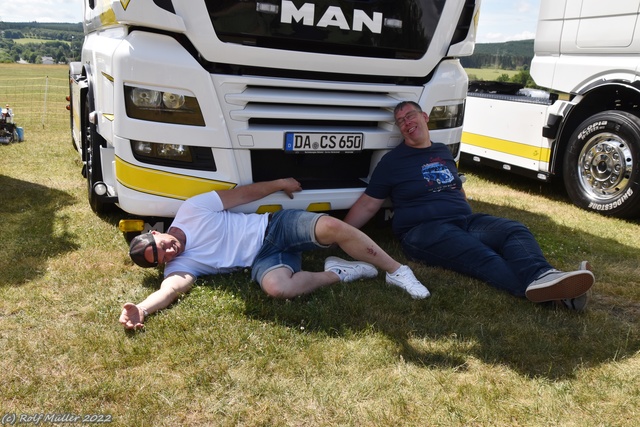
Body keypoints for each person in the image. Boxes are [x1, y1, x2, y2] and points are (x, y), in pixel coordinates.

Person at [343, 101, 595, 310]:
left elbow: (457, 187)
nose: (407, 124)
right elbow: (368, 204)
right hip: (423, 231)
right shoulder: (392, 161)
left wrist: (463, 210)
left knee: (514, 230)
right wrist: (340, 235)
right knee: (482, 255)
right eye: (401, 122)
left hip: (463, 221)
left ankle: (544, 276)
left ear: (424, 116)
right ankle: (557, 297)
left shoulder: (442, 151)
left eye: (410, 116)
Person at [119, 178, 430, 330]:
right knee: (279, 288)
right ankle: (340, 272)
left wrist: (279, 183)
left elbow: (240, 195)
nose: (170, 254)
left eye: (162, 247)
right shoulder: (181, 265)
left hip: (274, 227)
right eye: (163, 260)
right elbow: (171, 289)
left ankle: (396, 271)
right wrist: (143, 310)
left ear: (156, 233)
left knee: (332, 227)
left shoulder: (191, 210)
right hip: (263, 260)